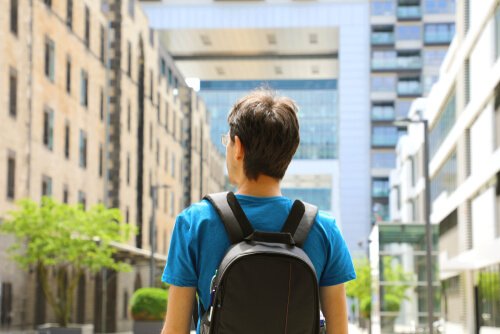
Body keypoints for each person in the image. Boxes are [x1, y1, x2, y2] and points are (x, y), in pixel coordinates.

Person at [161, 89, 356, 334]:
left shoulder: (195, 222)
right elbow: (340, 331)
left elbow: (175, 330)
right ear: (290, 152)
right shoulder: (324, 229)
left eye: (227, 141)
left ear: (238, 147)